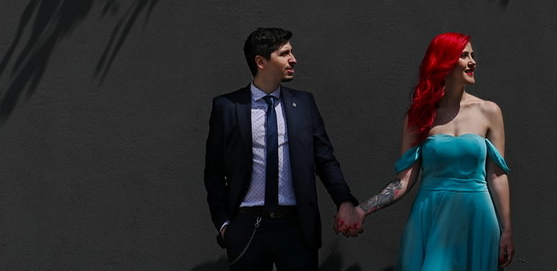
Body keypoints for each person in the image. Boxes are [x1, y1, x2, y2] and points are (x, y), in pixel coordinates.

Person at [337, 32, 514, 269]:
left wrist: (507, 230)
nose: (473, 61)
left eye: (473, 55)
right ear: (444, 62)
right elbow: (405, 180)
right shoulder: (419, 115)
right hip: (431, 215)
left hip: (477, 216)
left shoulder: (489, 111)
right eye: (464, 55)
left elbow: (497, 175)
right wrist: (362, 210)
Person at [204, 27, 363, 270]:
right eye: (284, 53)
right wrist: (225, 225)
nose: (293, 59)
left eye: (292, 52)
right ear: (261, 61)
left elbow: (325, 160)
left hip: (296, 226)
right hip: (247, 226)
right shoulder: (227, 106)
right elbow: (213, 172)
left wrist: (345, 200)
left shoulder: (304, 104)